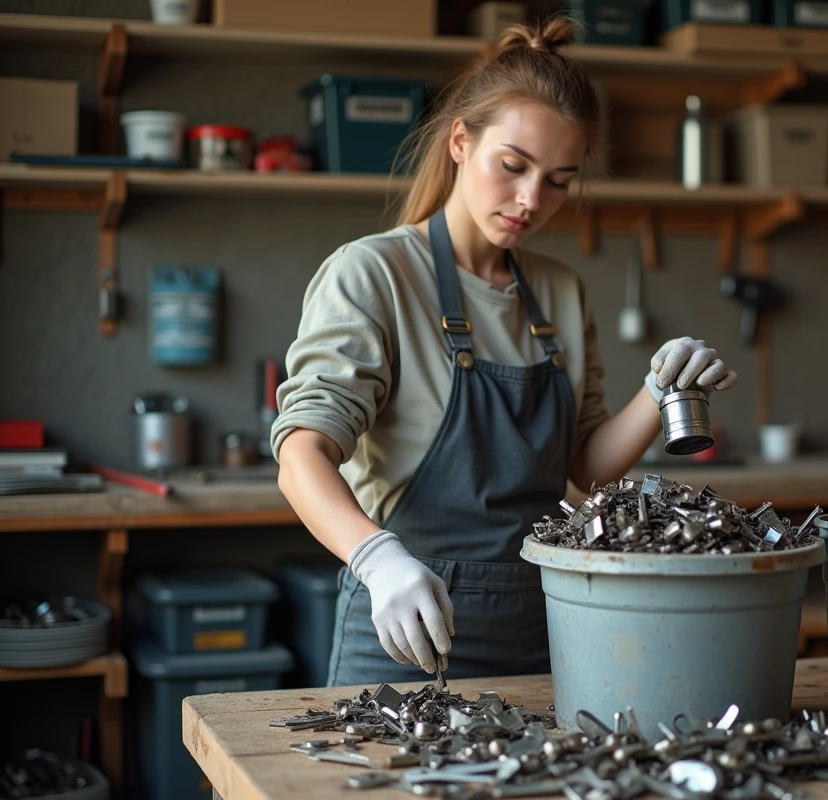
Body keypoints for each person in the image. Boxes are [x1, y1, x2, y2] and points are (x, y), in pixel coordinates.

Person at [271, 17, 739, 687]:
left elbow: (586, 468)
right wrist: (376, 558)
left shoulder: (559, 291)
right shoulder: (373, 275)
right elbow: (301, 456)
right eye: (513, 167)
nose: (530, 201)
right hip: (406, 627)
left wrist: (659, 389)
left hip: (546, 627)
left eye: (557, 180)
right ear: (461, 141)